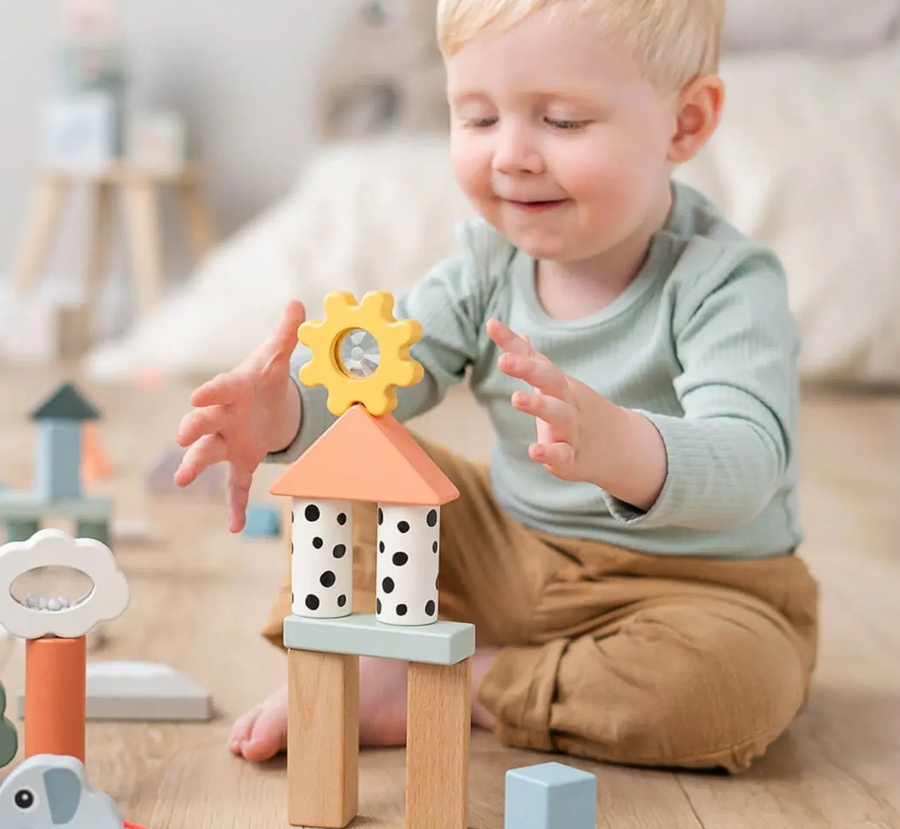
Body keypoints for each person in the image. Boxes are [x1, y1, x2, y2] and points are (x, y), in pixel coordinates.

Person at [175, 0, 819, 773]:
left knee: (728, 688)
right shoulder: (485, 267)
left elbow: (752, 461)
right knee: (348, 474)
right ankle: (362, 657)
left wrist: (622, 446)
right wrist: (282, 415)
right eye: (478, 119)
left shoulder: (724, 284)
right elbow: (377, 379)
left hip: (690, 587)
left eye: (562, 121)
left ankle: (459, 681)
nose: (511, 156)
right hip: (506, 550)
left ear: (685, 123)